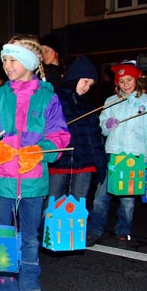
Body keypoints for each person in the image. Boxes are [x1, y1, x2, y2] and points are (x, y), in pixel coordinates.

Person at [0, 34, 70, 291]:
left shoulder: (48, 97)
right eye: (4, 60)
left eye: (13, 59)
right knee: (4, 233)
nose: (7, 65)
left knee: (31, 235)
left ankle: (31, 282)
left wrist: (40, 150)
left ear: (30, 62)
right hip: (4, 181)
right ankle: (5, 284)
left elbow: (60, 134)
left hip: (33, 183)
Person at [86, 60, 147, 249]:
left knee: (127, 200)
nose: (126, 84)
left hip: (133, 157)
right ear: (117, 83)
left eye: (129, 79)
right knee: (100, 197)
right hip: (112, 155)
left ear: (136, 80)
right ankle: (95, 230)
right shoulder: (111, 101)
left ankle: (123, 232)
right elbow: (102, 126)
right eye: (122, 81)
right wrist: (106, 125)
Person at [48, 56, 108, 202]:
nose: (87, 87)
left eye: (90, 84)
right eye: (85, 81)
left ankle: (75, 226)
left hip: (84, 165)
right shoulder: (55, 100)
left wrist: (101, 164)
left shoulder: (88, 105)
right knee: (51, 205)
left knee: (78, 208)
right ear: (74, 78)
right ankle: (48, 226)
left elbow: (95, 136)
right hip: (60, 164)